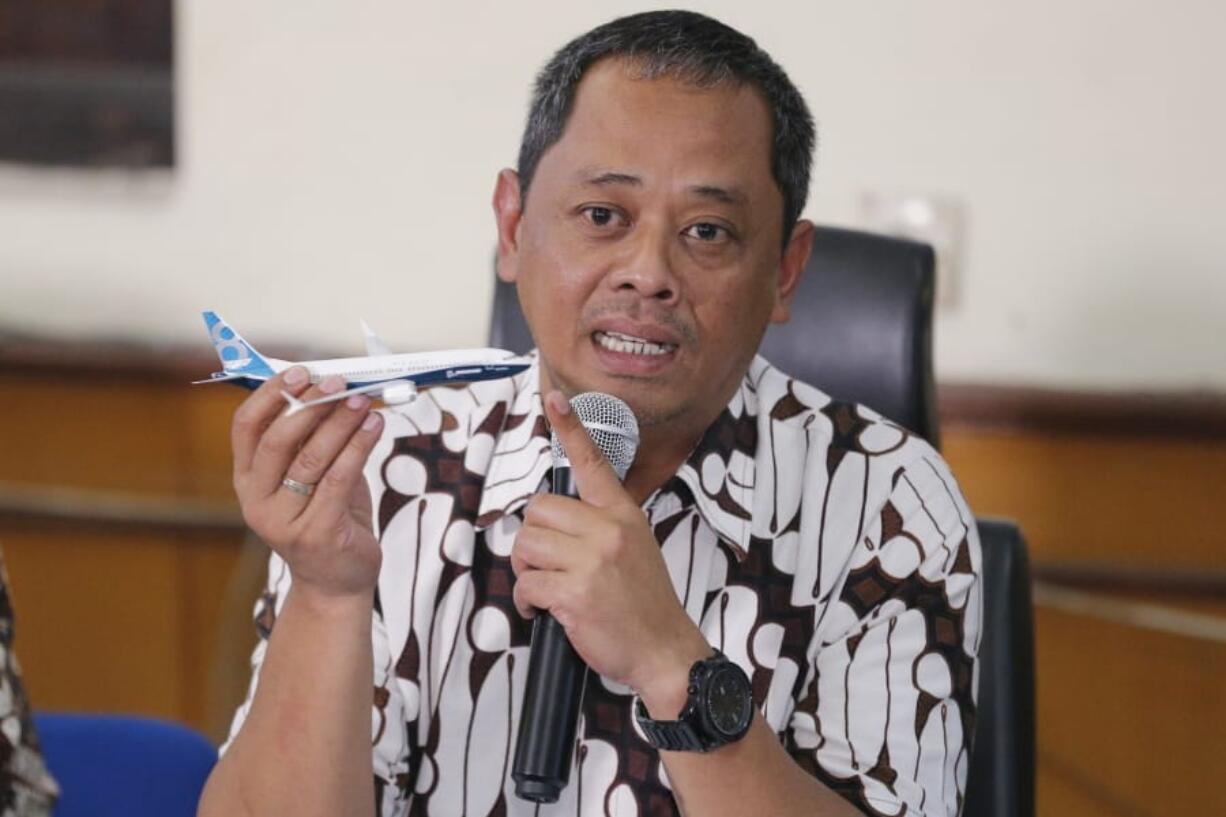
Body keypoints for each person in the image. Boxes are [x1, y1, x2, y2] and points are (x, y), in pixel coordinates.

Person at [199, 10, 981, 817]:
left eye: (708, 231)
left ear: (786, 269)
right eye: (604, 216)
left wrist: (673, 665)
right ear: (512, 224)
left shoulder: (886, 500)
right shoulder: (386, 465)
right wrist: (328, 595)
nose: (648, 274)